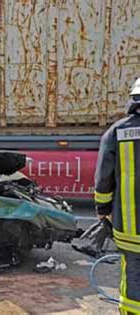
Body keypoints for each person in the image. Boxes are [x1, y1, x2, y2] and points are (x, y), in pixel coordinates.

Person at [95, 78, 140, 314]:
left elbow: (103, 181)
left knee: (133, 277)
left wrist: (103, 211)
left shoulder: (117, 132)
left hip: (130, 230)